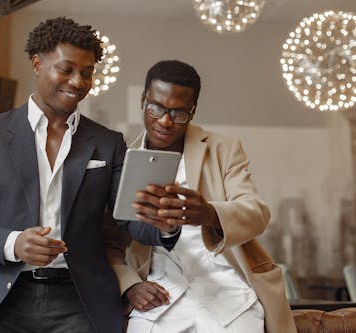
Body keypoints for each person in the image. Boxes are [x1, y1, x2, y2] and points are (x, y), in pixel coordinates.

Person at [0, 17, 175, 333]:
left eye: (87, 73)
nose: (78, 82)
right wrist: (13, 243)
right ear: (37, 64)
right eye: (66, 69)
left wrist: (165, 225)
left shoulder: (107, 143)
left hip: (79, 298)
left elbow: (130, 221)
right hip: (0, 296)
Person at [109, 60, 297, 332]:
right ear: (143, 100)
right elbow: (110, 242)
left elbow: (257, 212)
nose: (165, 121)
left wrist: (210, 214)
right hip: (160, 304)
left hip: (230, 298)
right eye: (156, 108)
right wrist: (130, 285)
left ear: (193, 111)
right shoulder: (123, 159)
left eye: (179, 113)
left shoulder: (224, 149)